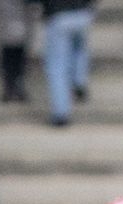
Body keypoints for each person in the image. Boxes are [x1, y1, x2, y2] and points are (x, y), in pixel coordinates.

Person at [40, 0, 94, 128]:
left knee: (57, 65)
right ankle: (79, 81)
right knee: (78, 49)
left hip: (58, 14)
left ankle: (61, 112)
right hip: (82, 12)